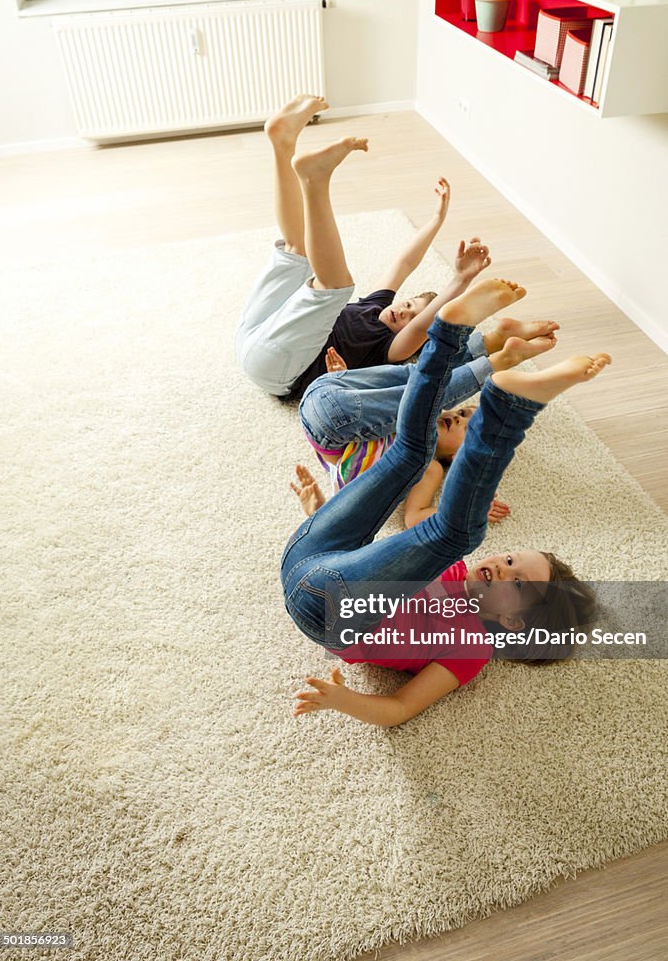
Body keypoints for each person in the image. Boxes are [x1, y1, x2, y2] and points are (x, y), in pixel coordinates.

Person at [281, 277, 609, 727]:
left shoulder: (471, 650)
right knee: (412, 452)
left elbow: (398, 710)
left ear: (515, 624)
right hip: (310, 555)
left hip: (328, 611)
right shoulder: (454, 572)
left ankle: (513, 407)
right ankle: (449, 330)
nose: (501, 566)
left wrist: (342, 700)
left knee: (457, 533)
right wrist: (319, 509)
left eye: (516, 584)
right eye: (512, 558)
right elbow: (376, 557)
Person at [234, 93, 491, 399]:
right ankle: (282, 141)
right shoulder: (375, 305)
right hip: (255, 332)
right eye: (408, 305)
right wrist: (436, 220)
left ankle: (316, 181)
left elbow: (425, 324)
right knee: (296, 248)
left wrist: (460, 280)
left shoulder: (388, 349)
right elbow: (404, 264)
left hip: (278, 369)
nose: (403, 313)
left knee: (335, 286)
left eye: (409, 318)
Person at [291, 316, 559, 527]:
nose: (456, 416)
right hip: (338, 390)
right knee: (419, 379)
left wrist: (465, 510)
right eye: (463, 412)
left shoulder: (428, 467)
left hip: (332, 422)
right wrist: (349, 382)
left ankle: (496, 356)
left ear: (459, 455)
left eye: (466, 425)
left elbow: (414, 517)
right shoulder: (418, 420)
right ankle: (492, 342)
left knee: (424, 395)